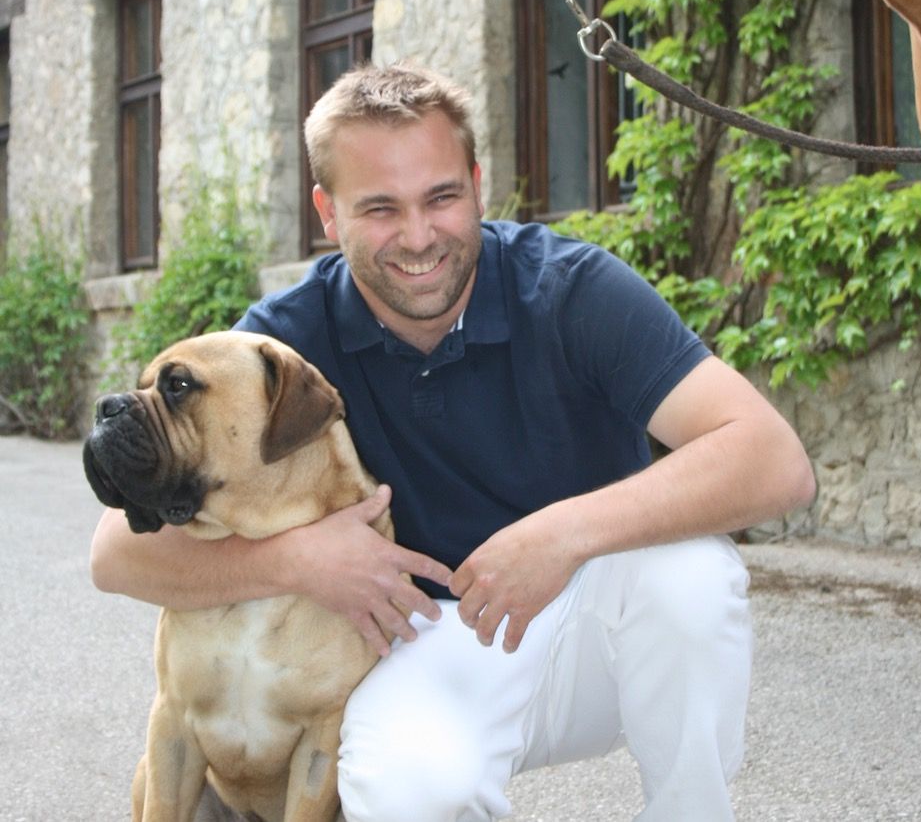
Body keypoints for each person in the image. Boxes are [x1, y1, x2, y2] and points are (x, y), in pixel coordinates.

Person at [91, 63, 816, 822]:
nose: (418, 236)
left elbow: (772, 459)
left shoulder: (572, 288)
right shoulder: (287, 347)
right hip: (432, 645)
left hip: (599, 631)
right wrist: (300, 558)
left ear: (476, 182)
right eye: (379, 208)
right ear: (327, 213)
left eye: (442, 195)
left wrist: (562, 533)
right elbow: (115, 552)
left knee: (692, 576)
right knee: (400, 783)